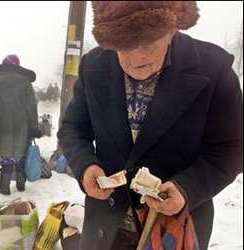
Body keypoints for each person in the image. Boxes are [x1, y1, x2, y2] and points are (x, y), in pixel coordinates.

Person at [57, 2, 243, 250]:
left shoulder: (213, 68)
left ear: (172, 30)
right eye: (123, 47)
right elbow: (73, 128)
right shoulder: (93, 65)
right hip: (106, 231)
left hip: (174, 231)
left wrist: (188, 188)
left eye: (147, 45)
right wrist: (84, 165)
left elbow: (231, 148)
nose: (135, 60)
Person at [0, 54, 42, 195]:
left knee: (6, 156)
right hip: (22, 127)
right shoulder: (26, 83)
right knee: (20, 155)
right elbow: (31, 108)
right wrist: (34, 128)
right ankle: (21, 184)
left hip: (2, 127)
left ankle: (4, 187)